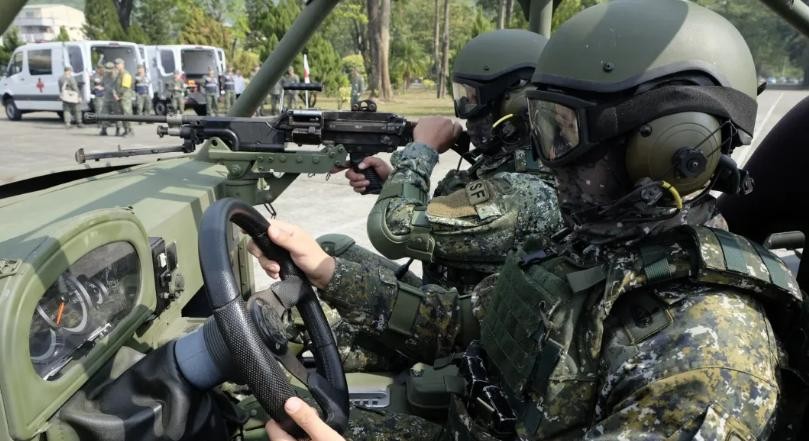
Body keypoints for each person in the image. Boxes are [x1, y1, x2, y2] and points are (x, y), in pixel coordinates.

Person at [257, 1, 806, 439]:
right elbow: (457, 322)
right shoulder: (589, 245)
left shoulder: (704, 355)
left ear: (667, 149)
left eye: (562, 132)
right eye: (540, 127)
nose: (547, 160)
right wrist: (327, 269)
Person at [309, 29, 561, 372]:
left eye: (471, 98)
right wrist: (393, 182)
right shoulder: (511, 167)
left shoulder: (522, 193)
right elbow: (453, 219)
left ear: (516, 104)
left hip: (456, 339)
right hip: (440, 312)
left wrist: (422, 151)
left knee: (313, 320)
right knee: (331, 248)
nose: (464, 111)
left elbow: (392, 231)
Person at [113, 58, 135, 136]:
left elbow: (125, 87)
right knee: (122, 115)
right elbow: (115, 86)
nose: (117, 66)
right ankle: (126, 130)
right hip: (119, 97)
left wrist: (118, 96)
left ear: (123, 65)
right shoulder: (118, 74)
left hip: (125, 97)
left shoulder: (126, 74)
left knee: (127, 114)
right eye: (116, 64)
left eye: (118, 64)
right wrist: (115, 94)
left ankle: (130, 130)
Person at [100, 61, 118, 136]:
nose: (108, 72)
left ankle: (118, 130)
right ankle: (104, 129)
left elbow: (117, 87)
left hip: (114, 99)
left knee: (117, 115)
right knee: (104, 113)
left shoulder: (117, 76)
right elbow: (102, 84)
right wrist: (101, 87)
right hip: (106, 98)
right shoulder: (105, 75)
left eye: (110, 70)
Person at [91, 64, 105, 128]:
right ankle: (99, 123)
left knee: (105, 109)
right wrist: (96, 88)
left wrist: (104, 87)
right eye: (99, 68)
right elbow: (91, 87)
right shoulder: (93, 77)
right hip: (98, 95)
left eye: (102, 68)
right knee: (99, 109)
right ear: (97, 69)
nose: (101, 69)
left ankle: (105, 122)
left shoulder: (105, 75)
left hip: (105, 94)